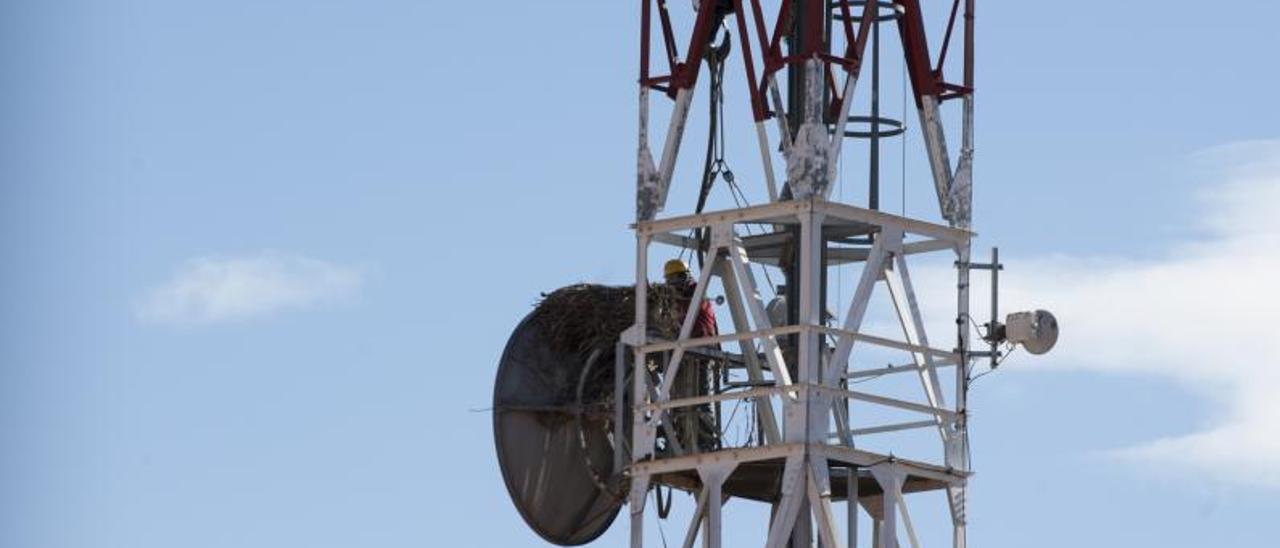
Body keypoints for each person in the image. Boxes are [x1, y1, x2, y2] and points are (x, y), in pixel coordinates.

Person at [661, 258, 719, 453]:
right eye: (670, 281)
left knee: (700, 400)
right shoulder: (680, 298)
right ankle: (680, 441)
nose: (673, 285)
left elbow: (688, 321)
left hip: (701, 351)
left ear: (684, 277)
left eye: (676, 280)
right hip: (684, 353)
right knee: (678, 401)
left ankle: (704, 443)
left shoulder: (695, 293)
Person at [663, 259, 718, 338]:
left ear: (684, 276)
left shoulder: (696, 291)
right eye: (669, 279)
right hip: (687, 340)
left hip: (703, 338)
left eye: (674, 278)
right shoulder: (675, 295)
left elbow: (685, 305)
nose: (672, 282)